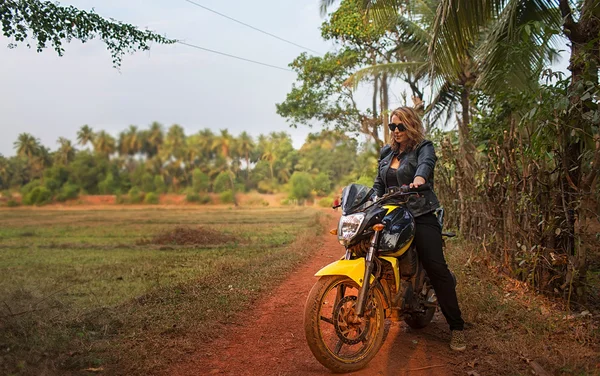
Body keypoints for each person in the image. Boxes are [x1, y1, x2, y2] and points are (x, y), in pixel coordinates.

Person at [372, 106, 466, 352]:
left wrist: (419, 180)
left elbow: (425, 165)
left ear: (411, 125)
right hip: (392, 214)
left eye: (401, 126)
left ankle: (456, 328)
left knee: (437, 268)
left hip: (420, 212)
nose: (396, 131)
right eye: (393, 126)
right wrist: (361, 199)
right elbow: (378, 186)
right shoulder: (386, 152)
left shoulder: (423, 147)